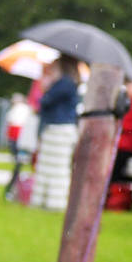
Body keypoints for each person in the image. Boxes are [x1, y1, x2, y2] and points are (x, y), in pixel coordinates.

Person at [33, 58, 84, 212]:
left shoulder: (64, 83)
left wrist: (46, 88)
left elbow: (46, 101)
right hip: (60, 127)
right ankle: (49, 200)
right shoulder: (70, 82)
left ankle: (52, 201)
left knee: (54, 167)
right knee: (54, 166)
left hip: (58, 129)